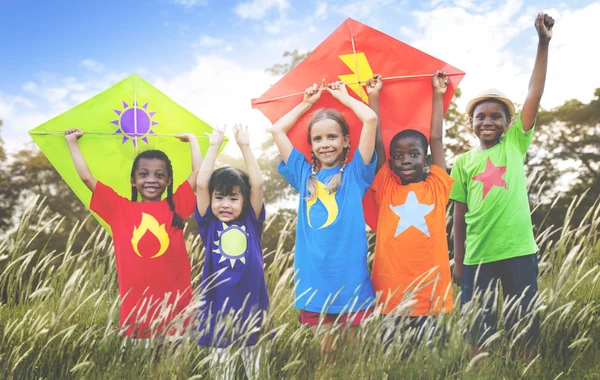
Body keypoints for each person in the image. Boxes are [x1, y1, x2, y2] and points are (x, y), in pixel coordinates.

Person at [450, 12, 554, 360]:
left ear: (509, 124)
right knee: (477, 327)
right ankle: (481, 369)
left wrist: (543, 42)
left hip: (519, 252)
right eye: (481, 116)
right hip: (477, 256)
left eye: (496, 116)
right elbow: (458, 216)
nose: (488, 121)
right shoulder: (463, 163)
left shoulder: (514, 146)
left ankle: (526, 368)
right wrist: (458, 258)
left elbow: (534, 93)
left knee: (524, 323)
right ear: (471, 123)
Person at [270, 79, 378, 356]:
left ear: (345, 141)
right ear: (311, 145)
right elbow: (277, 129)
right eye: (317, 139)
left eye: (332, 137)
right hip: (314, 280)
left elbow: (370, 118)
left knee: (355, 359)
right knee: (326, 357)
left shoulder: (357, 174)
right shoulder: (303, 174)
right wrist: (307, 104)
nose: (325, 144)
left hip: (351, 279)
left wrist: (342, 97)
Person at [65, 128, 200, 338]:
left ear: (168, 181)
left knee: (173, 370)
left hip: (177, 311)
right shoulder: (118, 209)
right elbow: (86, 177)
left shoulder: (176, 207)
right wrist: (72, 142)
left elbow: (198, 175)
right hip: (137, 316)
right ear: (133, 181)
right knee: (140, 369)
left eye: (159, 175)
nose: (151, 180)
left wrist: (192, 139)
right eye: (143, 174)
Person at [369, 71, 453, 347]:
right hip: (391, 293)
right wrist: (374, 96)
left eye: (414, 154)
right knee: (394, 360)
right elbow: (378, 141)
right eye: (398, 155)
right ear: (391, 161)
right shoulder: (386, 187)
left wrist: (437, 95)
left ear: (426, 159)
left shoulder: (437, 187)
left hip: (430, 291)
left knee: (429, 361)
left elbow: (436, 138)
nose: (405, 160)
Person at [195, 124, 268, 379]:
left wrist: (245, 145)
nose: (225, 204)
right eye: (219, 198)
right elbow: (201, 183)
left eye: (233, 198)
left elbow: (257, 184)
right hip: (218, 308)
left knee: (256, 368)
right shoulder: (209, 223)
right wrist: (213, 146)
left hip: (252, 306)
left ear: (245, 202)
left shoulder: (252, 221)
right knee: (221, 368)